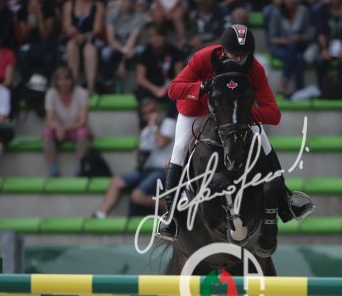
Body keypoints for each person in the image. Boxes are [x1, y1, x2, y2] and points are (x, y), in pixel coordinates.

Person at [161, 24, 314, 251]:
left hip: (233, 116)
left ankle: (285, 200)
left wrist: (241, 115)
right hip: (197, 110)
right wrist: (201, 86)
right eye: (234, 54)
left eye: (244, 55)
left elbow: (274, 114)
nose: (239, 60)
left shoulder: (254, 68)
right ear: (223, 51)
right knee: (180, 147)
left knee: (262, 139)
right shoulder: (204, 58)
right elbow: (173, 90)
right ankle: (171, 216)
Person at [94, 98, 175, 218]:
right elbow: (144, 152)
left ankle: (170, 209)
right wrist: (139, 154)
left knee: (137, 196)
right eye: (146, 113)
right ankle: (100, 215)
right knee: (116, 182)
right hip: (146, 169)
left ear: (158, 110)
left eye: (152, 111)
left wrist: (154, 126)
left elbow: (162, 142)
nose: (150, 115)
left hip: (163, 170)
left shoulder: (168, 123)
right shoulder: (146, 131)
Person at [43, 66, 93, 177]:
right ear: (56, 81)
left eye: (66, 79)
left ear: (71, 80)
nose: (63, 83)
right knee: (47, 133)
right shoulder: (51, 94)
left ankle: (80, 167)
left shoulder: (82, 93)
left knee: (83, 133)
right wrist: (58, 128)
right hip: (59, 129)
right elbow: (50, 120)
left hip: (76, 128)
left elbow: (83, 121)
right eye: (60, 79)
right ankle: (53, 168)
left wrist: (66, 129)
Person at [266, 0, 314, 96]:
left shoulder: (304, 12)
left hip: (299, 46)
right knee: (297, 55)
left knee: (298, 54)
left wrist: (298, 38)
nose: (290, 1)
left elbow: (310, 34)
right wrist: (288, 41)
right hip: (279, 48)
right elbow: (272, 38)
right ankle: (299, 89)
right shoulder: (277, 12)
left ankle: (285, 82)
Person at [100, 0, 147, 92]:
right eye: (125, 0)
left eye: (131, 1)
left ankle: (140, 84)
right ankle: (109, 83)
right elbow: (111, 40)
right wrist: (123, 54)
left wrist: (123, 62)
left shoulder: (139, 17)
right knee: (105, 52)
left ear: (135, 2)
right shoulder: (112, 14)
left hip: (132, 48)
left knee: (143, 51)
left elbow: (132, 41)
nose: (127, 4)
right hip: (117, 47)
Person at [63, 0, 105, 92]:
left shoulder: (98, 5)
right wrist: (72, 31)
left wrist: (84, 36)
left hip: (91, 37)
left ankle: (91, 86)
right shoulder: (69, 4)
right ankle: (74, 84)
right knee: (71, 45)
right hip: (73, 38)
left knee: (89, 48)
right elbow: (66, 26)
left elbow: (97, 29)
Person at [135, 25, 183, 117]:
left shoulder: (173, 51)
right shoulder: (146, 52)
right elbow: (140, 78)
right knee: (141, 95)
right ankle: (146, 124)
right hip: (151, 88)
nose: (155, 39)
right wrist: (154, 89)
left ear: (164, 36)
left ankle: (169, 122)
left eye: (158, 35)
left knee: (178, 94)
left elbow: (179, 75)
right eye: (151, 36)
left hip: (170, 86)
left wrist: (166, 88)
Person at [16, 0, 58, 85]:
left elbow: (45, 36)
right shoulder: (22, 10)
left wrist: (39, 14)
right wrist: (31, 15)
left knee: (49, 58)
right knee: (21, 55)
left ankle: (43, 83)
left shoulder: (48, 8)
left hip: (45, 44)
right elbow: (25, 35)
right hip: (29, 44)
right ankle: (27, 84)